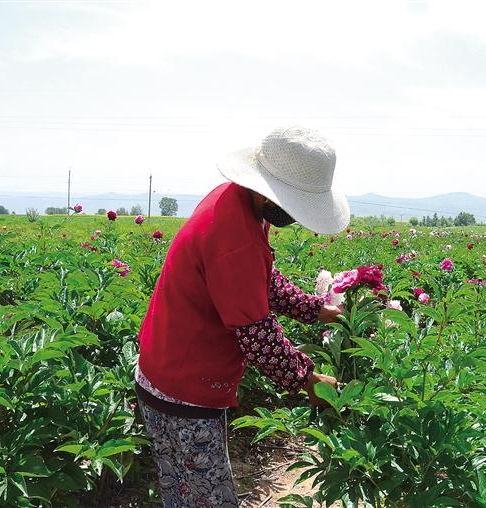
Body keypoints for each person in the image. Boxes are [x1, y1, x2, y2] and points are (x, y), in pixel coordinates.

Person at [136, 126, 350, 507]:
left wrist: (312, 307)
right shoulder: (234, 238)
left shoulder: (239, 202)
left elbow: (259, 279)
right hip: (183, 392)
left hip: (163, 373)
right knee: (209, 501)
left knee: (182, 494)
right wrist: (308, 379)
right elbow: (256, 334)